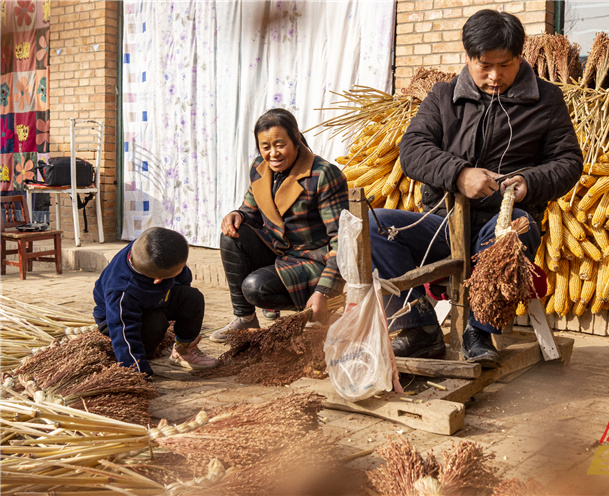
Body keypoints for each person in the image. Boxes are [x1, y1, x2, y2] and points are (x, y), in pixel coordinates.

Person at [370, 10, 583, 367]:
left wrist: (530, 184)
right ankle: (419, 327)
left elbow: (568, 162)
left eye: (506, 64)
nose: (495, 76)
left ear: (520, 56)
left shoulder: (546, 101)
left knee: (514, 229)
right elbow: (412, 150)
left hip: (502, 224)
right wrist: (460, 174)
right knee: (372, 226)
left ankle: (479, 331)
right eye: (484, 65)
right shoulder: (442, 97)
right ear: (467, 57)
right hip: (443, 224)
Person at [211, 108, 348, 342]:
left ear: (296, 140)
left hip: (313, 260)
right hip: (280, 252)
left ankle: (317, 308)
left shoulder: (322, 174)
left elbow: (341, 240)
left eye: (279, 144)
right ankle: (245, 320)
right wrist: (237, 214)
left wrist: (324, 290)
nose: (273, 153)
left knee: (255, 288)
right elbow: (250, 211)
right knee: (231, 235)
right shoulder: (260, 168)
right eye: (265, 146)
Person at [93, 227, 219, 376]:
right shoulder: (122, 292)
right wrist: (138, 374)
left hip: (157, 298)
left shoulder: (149, 248)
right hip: (117, 320)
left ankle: (183, 351)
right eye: (181, 268)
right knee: (156, 322)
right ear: (158, 280)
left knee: (191, 298)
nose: (184, 268)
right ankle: (143, 357)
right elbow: (124, 336)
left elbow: (183, 279)